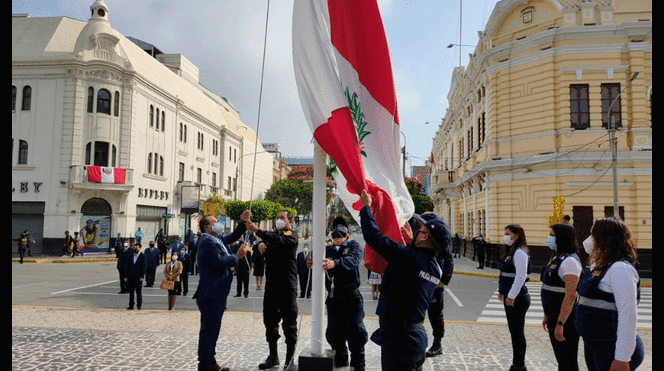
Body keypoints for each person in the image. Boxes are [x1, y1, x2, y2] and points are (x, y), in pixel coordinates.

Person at [359, 190, 450, 371]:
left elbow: (374, 237)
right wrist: (410, 242)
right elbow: (416, 265)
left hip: (399, 340)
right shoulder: (434, 266)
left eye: (419, 229)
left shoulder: (409, 259)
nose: (415, 230)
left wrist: (366, 207)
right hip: (413, 339)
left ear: (424, 237)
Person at [574, 217, 644, 371]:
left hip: (610, 347)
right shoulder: (597, 267)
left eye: (592, 235)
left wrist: (622, 358)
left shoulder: (620, 269)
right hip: (593, 344)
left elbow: (628, 315)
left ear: (604, 239)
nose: (588, 240)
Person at [193, 211, 249, 371]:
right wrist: (236, 257)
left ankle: (211, 362)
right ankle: (204, 366)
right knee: (208, 332)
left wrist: (243, 222)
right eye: (214, 222)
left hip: (217, 293)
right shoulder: (207, 242)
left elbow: (231, 237)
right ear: (206, 227)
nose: (218, 224)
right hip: (211, 294)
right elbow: (220, 262)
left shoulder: (215, 239)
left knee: (213, 331)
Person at [245, 210, 299, 371]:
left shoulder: (292, 235)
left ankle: (290, 360)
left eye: (282, 218)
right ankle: (273, 356)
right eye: (277, 218)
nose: (279, 220)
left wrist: (258, 231)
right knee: (270, 321)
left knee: (289, 324)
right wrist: (259, 244)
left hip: (287, 285)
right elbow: (258, 246)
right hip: (272, 285)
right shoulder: (271, 235)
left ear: (289, 221)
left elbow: (280, 241)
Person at [322, 223, 368, 371]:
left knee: (356, 334)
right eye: (335, 236)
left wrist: (335, 263)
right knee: (335, 335)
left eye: (340, 236)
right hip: (335, 299)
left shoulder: (354, 246)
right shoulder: (327, 250)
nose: (337, 239)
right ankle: (341, 364)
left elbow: (353, 261)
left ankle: (358, 366)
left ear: (347, 235)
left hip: (351, 298)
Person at [540, 223, 582, 371]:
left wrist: (560, 324)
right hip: (554, 315)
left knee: (568, 362)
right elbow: (550, 290)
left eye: (552, 236)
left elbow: (570, 296)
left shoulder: (570, 262)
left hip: (566, 320)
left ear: (562, 238)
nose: (549, 238)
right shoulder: (557, 258)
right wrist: (547, 315)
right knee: (562, 360)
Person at [499, 224, 532, 371]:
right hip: (509, 295)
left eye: (508, 233)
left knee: (518, 332)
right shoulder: (511, 251)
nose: (505, 236)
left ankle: (519, 364)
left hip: (518, 298)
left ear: (517, 235)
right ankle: (516, 362)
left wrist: (511, 295)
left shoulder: (520, 252)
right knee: (514, 332)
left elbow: (521, 276)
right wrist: (502, 292)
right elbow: (505, 275)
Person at [424, 214, 455, 358]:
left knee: (435, 315)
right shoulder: (420, 237)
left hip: (434, 284)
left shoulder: (439, 239)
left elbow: (449, 260)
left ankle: (437, 344)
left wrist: (443, 281)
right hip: (420, 282)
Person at [124, 243, 147, 310]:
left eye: (136, 248)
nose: (135, 249)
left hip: (138, 277)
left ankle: (139, 305)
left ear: (140, 248)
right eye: (134, 248)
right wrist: (126, 276)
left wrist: (142, 276)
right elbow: (127, 266)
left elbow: (144, 267)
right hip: (131, 277)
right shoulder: (130, 256)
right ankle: (131, 305)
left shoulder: (143, 256)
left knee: (138, 292)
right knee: (131, 292)